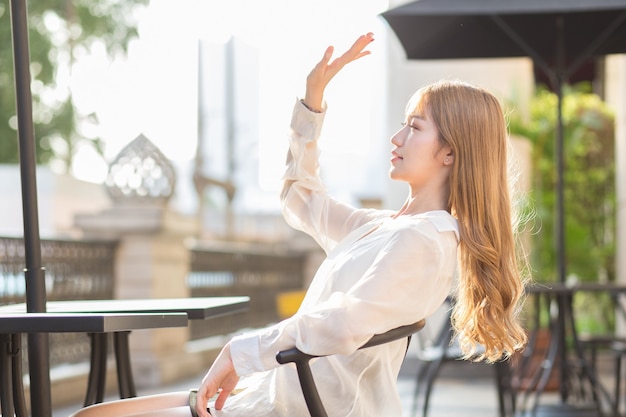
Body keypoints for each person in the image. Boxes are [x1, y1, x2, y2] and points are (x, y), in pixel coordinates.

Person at [70, 32, 528, 417]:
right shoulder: (387, 227)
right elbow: (300, 199)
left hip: (301, 408)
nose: (397, 137)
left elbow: (344, 323)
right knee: (96, 413)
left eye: (414, 127)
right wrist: (312, 105)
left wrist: (240, 350)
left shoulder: (425, 241)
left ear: (449, 153)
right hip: (277, 396)